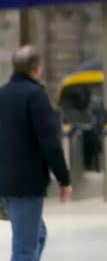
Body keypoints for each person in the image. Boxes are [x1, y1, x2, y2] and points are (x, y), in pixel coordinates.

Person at [0, 45, 72, 261]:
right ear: (36, 68)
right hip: (25, 184)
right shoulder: (35, 95)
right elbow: (49, 142)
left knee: (37, 235)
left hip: (5, 182)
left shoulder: (2, 94)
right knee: (24, 249)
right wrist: (63, 179)